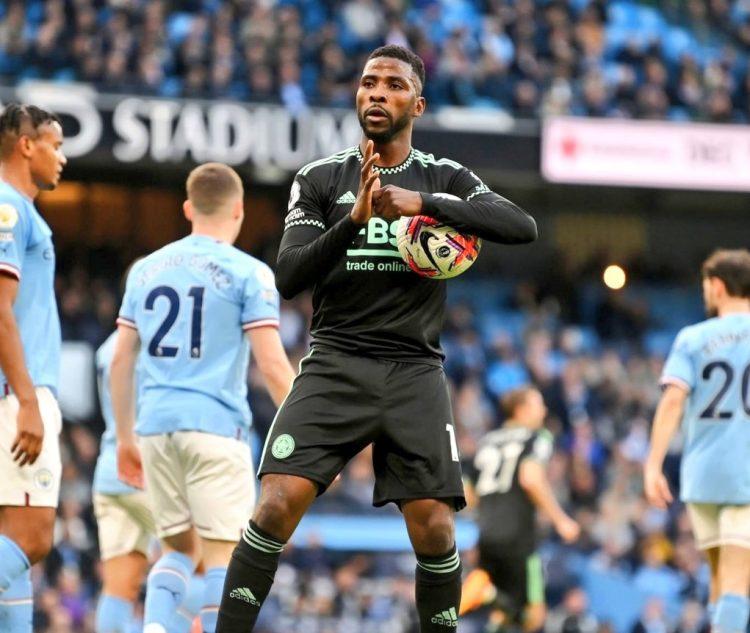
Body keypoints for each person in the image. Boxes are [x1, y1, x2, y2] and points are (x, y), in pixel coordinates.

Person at [216, 44, 538, 632]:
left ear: (418, 101)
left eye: (393, 84)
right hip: (335, 361)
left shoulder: (445, 176)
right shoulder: (320, 178)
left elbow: (522, 225)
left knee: (436, 527)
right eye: (368, 83)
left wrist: (427, 205)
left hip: (413, 369)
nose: (377, 94)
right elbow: (289, 276)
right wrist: (353, 222)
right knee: (274, 506)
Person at [111, 162, 295, 633]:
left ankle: (153, 626)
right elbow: (273, 365)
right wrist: (309, 433)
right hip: (215, 428)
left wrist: (126, 437)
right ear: (238, 210)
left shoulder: (145, 269)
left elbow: (121, 361)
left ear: (189, 208)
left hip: (153, 427)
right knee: (225, 555)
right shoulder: (250, 273)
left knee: (178, 550)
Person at [645, 249, 750, 633]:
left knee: (720, 578)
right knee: (738, 582)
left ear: (718, 286)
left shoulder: (692, 337)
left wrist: (653, 464)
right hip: (746, 474)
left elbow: (673, 399)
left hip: (703, 475)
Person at [0, 103, 66, 631]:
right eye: (56, 144)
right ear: (27, 144)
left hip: (14, 391)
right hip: (16, 393)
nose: (61, 157)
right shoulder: (9, 207)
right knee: (32, 536)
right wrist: (26, 400)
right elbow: (0, 310)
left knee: (10, 534)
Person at [93, 324, 205, 633]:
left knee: (119, 586)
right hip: (147, 467)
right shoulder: (160, 345)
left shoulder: (107, 346)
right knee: (196, 558)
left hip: (110, 468)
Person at [460, 386, 580, 632]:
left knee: (503, 616)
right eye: (539, 404)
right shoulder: (537, 437)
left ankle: (490, 594)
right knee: (534, 617)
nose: (544, 410)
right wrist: (561, 520)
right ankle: (488, 594)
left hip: (487, 534)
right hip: (519, 537)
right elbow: (530, 477)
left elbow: (468, 495)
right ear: (521, 409)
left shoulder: (487, 441)